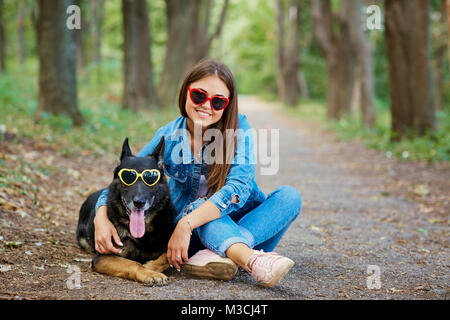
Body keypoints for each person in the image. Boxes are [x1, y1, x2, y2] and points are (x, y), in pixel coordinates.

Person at [93, 59, 302, 288]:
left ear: (228, 105)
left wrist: (186, 224)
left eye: (218, 101)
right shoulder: (170, 136)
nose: (207, 106)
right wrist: (100, 216)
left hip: (240, 224)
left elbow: (238, 188)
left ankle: (219, 254)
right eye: (199, 96)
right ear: (186, 92)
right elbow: (126, 176)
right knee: (206, 217)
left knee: (289, 197)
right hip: (195, 233)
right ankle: (251, 260)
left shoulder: (239, 128)